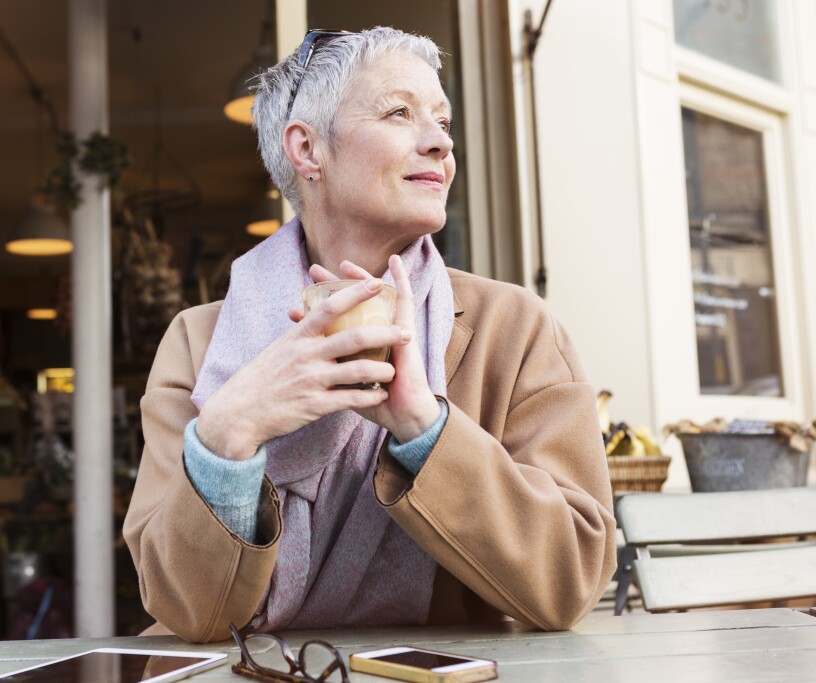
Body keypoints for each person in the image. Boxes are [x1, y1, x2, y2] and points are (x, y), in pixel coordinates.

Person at [124, 26, 616, 643]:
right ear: (308, 151)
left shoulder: (514, 330)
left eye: (444, 121)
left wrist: (424, 429)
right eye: (399, 113)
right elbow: (185, 610)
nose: (439, 143)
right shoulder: (200, 344)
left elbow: (569, 582)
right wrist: (228, 433)